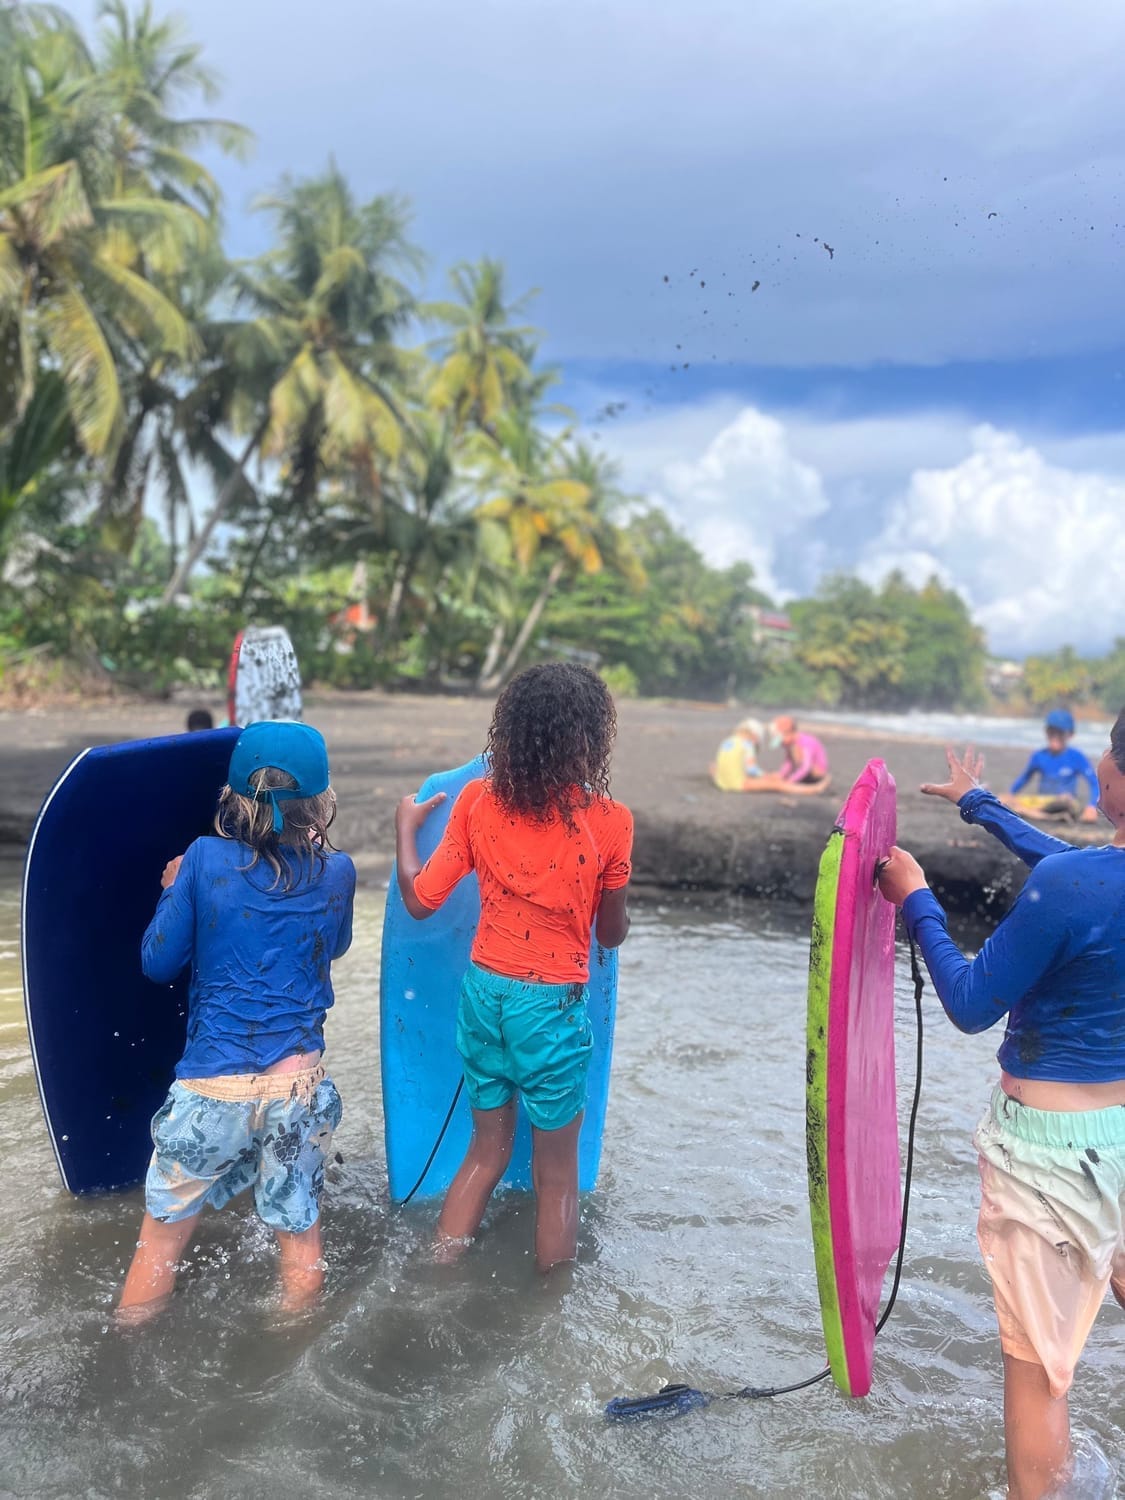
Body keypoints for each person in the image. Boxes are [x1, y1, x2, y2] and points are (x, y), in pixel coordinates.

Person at [877, 735, 1125, 1500]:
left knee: (1039, 1375)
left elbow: (969, 1004)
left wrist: (914, 898)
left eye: (1109, 753)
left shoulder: (1071, 886)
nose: (1097, 764)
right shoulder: (1079, 881)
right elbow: (1077, 873)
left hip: (1053, 1157)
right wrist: (979, 806)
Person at [394, 663, 633, 1271]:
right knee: (557, 1177)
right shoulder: (610, 822)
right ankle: (550, 1313)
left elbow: (421, 903)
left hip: (483, 996)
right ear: (591, 742)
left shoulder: (476, 802)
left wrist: (405, 833)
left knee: (486, 1152)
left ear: (513, 735)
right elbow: (611, 933)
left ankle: (435, 1277)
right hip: (549, 1008)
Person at [118, 720, 356, 1321]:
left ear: (232, 797)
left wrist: (174, 890)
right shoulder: (340, 872)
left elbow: (156, 963)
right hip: (298, 1089)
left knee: (162, 1243)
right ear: (322, 804)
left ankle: (125, 1352)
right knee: (298, 1233)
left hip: (211, 1090)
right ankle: (290, 1357)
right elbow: (334, 946)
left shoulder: (202, 860)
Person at [1005, 708, 1099, 823]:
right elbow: (1024, 778)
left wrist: (1091, 806)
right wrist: (1011, 794)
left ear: (1070, 734)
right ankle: (1046, 815)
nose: (1055, 736)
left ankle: (1029, 812)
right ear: (1046, 732)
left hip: (1065, 802)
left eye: (1060, 733)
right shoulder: (1039, 756)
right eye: (1051, 732)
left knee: (1066, 801)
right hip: (1042, 802)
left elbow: (1094, 783)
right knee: (1003, 800)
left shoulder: (1077, 757)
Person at [769, 715, 831, 790]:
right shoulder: (792, 744)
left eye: (782, 741)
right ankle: (796, 778)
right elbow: (788, 763)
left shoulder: (805, 742)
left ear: (789, 732)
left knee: (795, 750)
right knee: (792, 750)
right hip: (805, 772)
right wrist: (781, 775)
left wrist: (790, 781)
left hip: (817, 774)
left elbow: (806, 767)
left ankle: (799, 779)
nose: (782, 745)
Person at [710, 717, 766, 790]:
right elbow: (751, 769)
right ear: (755, 735)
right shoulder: (747, 744)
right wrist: (765, 775)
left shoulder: (727, 741)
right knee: (774, 783)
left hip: (720, 783)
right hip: (738, 784)